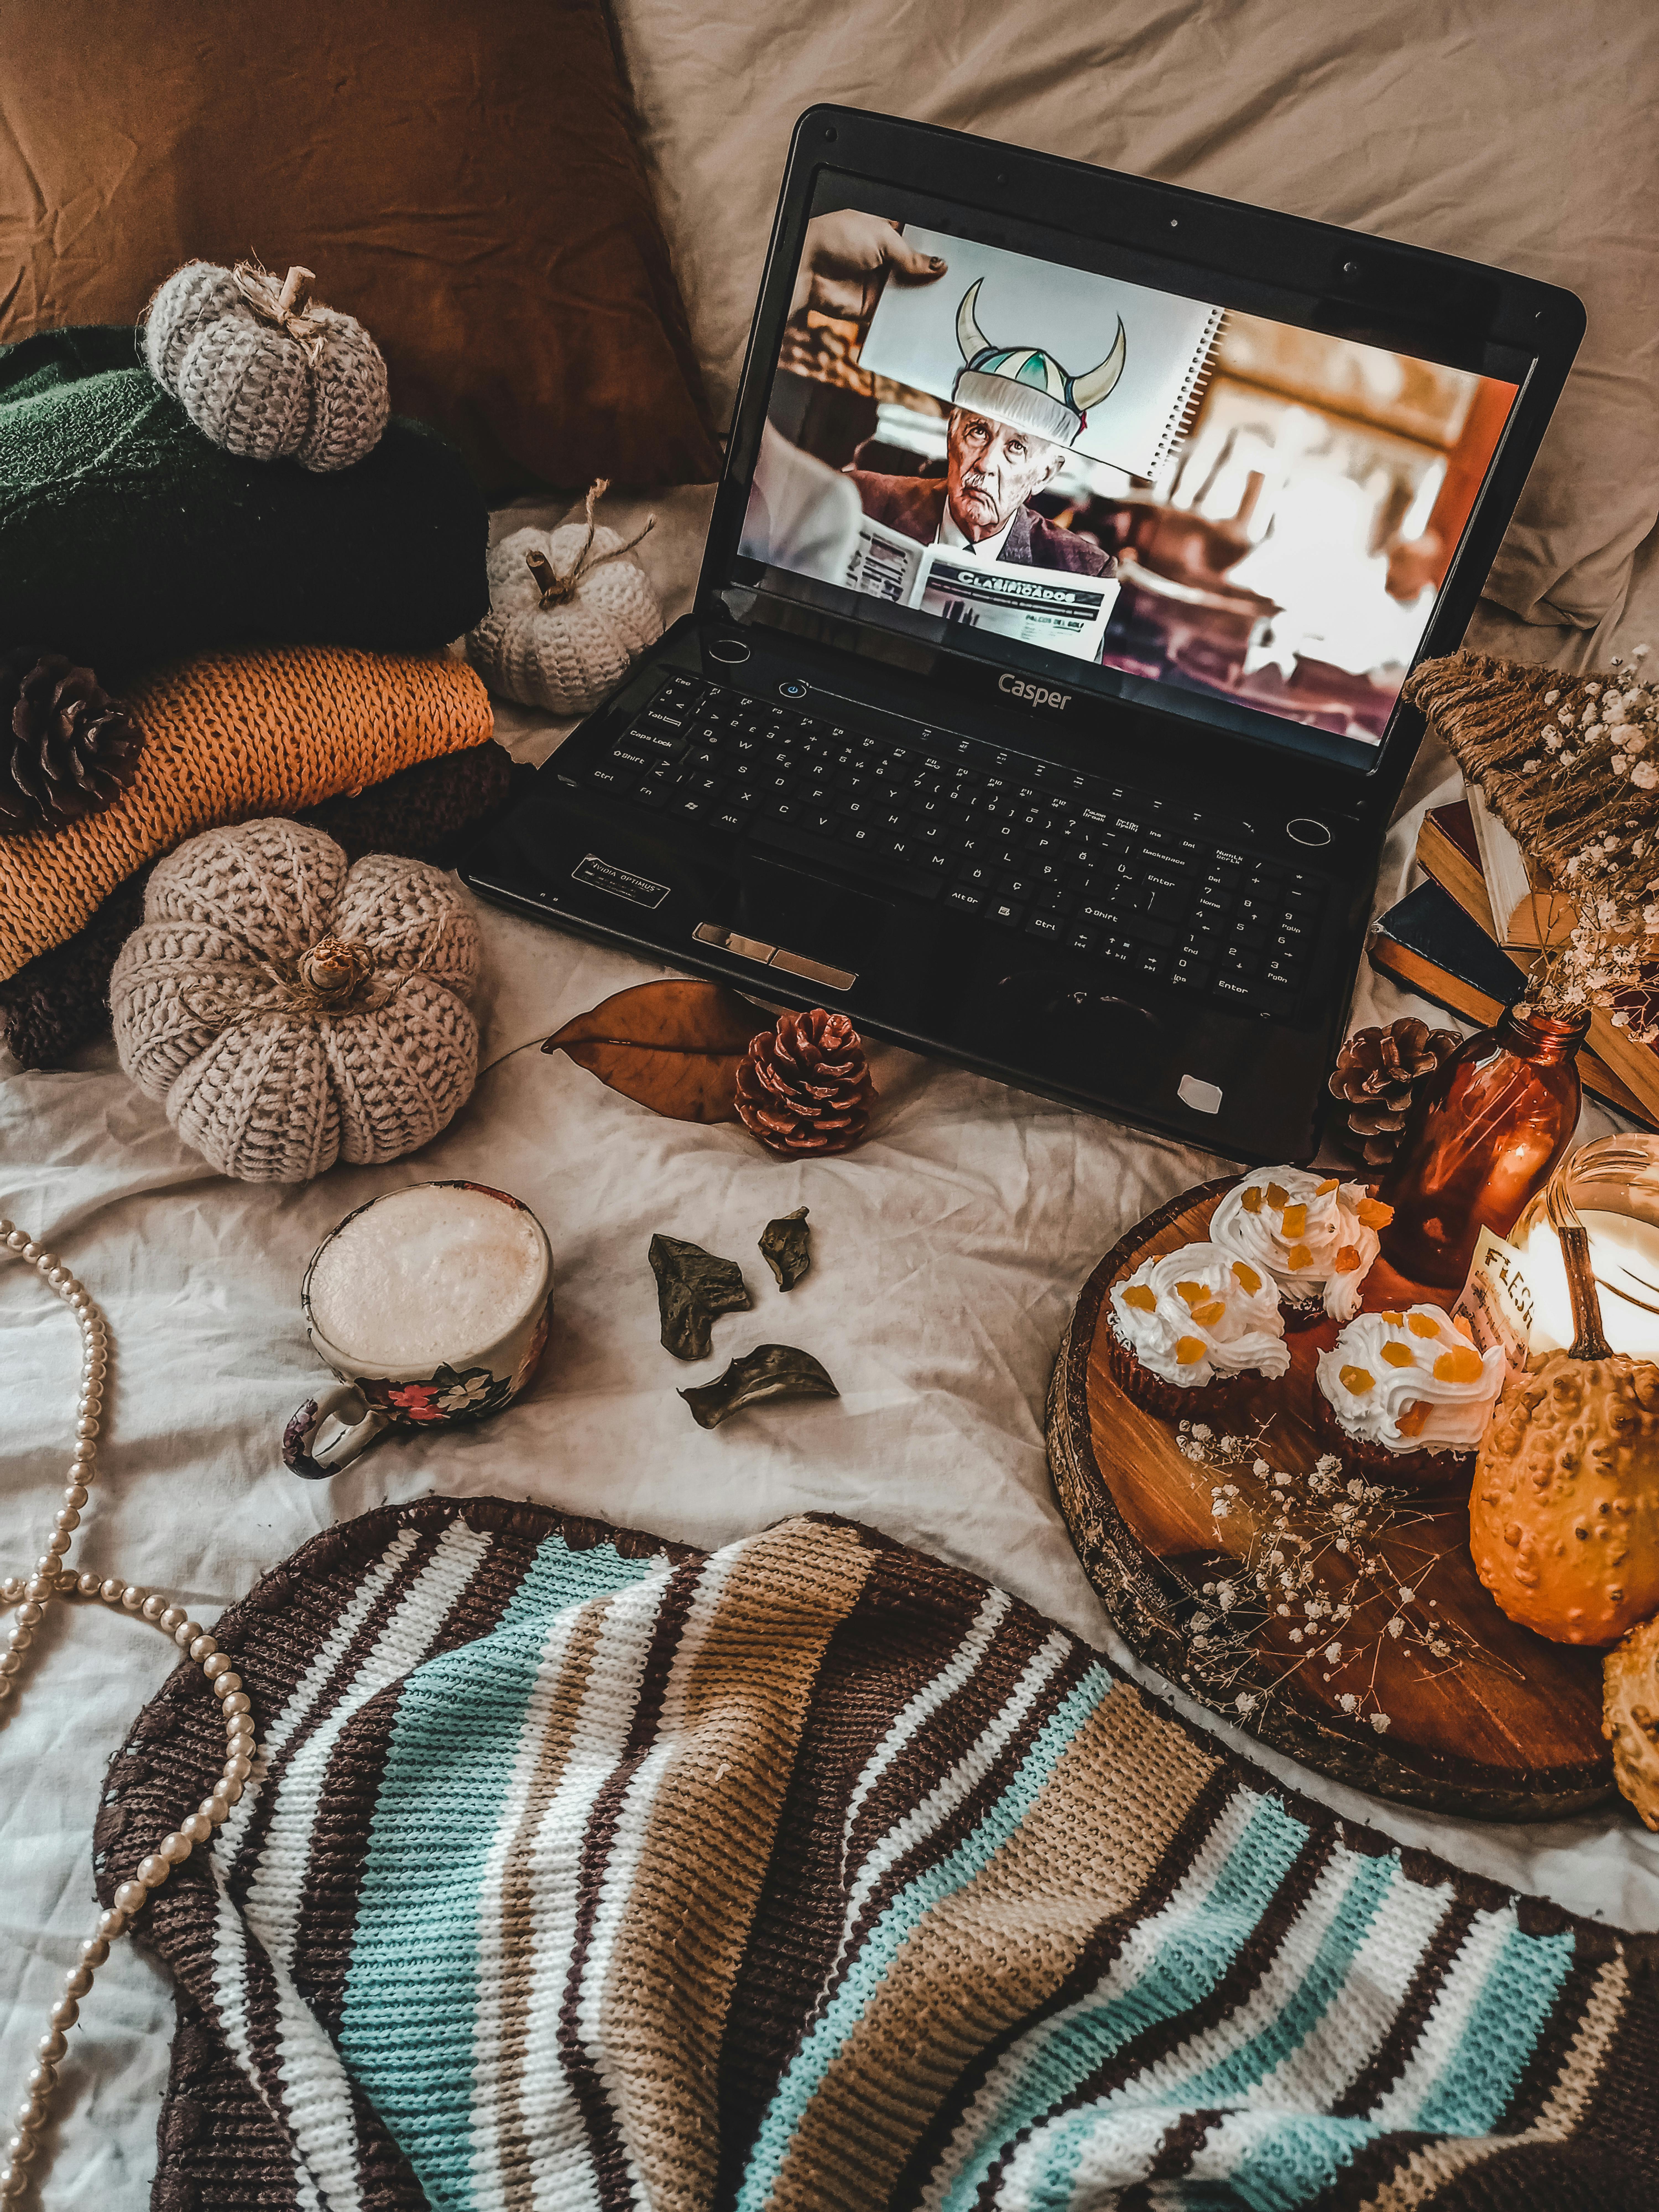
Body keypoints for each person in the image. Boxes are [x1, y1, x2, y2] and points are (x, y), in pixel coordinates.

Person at [848, 275, 1125, 575]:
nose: (986, 464)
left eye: (1016, 447)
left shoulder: (1084, 570)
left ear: (1044, 474)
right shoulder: (859, 499)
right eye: (979, 431)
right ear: (952, 431)